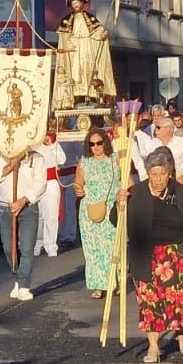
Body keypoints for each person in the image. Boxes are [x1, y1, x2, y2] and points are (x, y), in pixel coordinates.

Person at [118, 149, 183, 363]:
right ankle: (153, 346)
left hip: (176, 253)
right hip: (146, 254)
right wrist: (120, 203)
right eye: (154, 174)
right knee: (150, 302)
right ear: (148, 174)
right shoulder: (138, 192)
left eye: (162, 174)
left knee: (177, 298)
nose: (158, 179)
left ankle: (181, 333)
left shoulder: (180, 193)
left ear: (169, 172)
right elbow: (118, 221)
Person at [0, 148, 48, 301]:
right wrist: (9, 167)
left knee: (27, 247)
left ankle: (24, 284)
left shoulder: (36, 157)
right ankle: (18, 276)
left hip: (27, 207)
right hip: (5, 207)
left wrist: (23, 200)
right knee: (9, 248)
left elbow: (40, 183)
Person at [74, 128, 121, 300]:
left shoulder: (116, 160)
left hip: (111, 209)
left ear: (105, 142)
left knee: (111, 246)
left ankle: (114, 282)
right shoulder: (84, 162)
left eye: (99, 143)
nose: (96, 147)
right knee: (93, 249)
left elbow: (127, 182)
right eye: (91, 144)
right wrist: (78, 190)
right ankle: (97, 285)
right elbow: (78, 183)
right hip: (90, 210)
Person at [56, 0, 116, 106]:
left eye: (77, 3)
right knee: (75, 70)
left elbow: (96, 32)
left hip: (87, 46)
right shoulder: (67, 19)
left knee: (89, 68)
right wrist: (69, 43)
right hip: (75, 48)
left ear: (82, 4)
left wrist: (101, 34)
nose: (75, 5)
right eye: (73, 3)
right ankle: (77, 95)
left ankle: (91, 93)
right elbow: (64, 37)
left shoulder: (89, 17)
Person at [132, 112, 183, 185]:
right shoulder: (152, 143)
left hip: (177, 180)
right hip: (157, 182)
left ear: (169, 129)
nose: (155, 130)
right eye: (155, 127)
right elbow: (145, 162)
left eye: (158, 127)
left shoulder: (182, 142)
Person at [33, 130, 67, 257]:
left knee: (51, 216)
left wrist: (52, 145)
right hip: (36, 184)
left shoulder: (53, 143)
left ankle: (51, 246)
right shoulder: (32, 144)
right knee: (38, 216)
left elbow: (62, 160)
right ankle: (37, 243)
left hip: (51, 182)